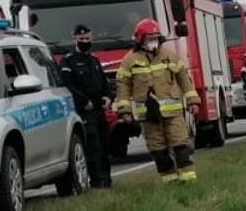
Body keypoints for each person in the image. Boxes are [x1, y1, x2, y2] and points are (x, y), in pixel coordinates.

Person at [113, 19, 199, 183]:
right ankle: (170, 182)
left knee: (181, 145)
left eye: (155, 38)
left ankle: (189, 181)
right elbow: (122, 87)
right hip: (149, 116)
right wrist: (124, 111)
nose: (153, 41)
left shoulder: (169, 56)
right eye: (149, 38)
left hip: (173, 113)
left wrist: (193, 101)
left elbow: (184, 79)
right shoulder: (129, 61)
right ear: (139, 39)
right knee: (158, 151)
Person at [57, 24, 114, 188]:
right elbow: (68, 86)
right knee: (92, 147)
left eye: (87, 39)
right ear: (74, 38)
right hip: (83, 111)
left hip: (99, 110)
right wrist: (84, 102)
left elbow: (105, 84)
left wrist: (108, 97)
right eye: (81, 39)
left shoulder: (94, 60)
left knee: (105, 146)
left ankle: (107, 181)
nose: (84, 41)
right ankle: (97, 182)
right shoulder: (68, 61)